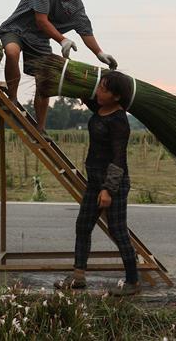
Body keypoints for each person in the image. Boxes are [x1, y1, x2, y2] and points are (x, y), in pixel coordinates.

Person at [0, 0, 116, 130]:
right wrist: (63, 39)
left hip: (39, 40)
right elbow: (41, 20)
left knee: (45, 82)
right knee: (12, 52)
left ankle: (41, 128)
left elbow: (85, 31)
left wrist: (99, 53)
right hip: (17, 29)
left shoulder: (76, 4)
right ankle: (12, 100)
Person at [53, 70, 139, 296]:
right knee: (83, 226)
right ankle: (78, 277)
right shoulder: (100, 107)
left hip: (113, 184)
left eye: (104, 89)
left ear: (117, 96)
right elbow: (85, 91)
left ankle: (133, 281)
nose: (98, 91)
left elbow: (118, 158)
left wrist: (108, 190)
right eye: (100, 86)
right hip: (94, 182)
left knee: (118, 231)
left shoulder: (119, 121)